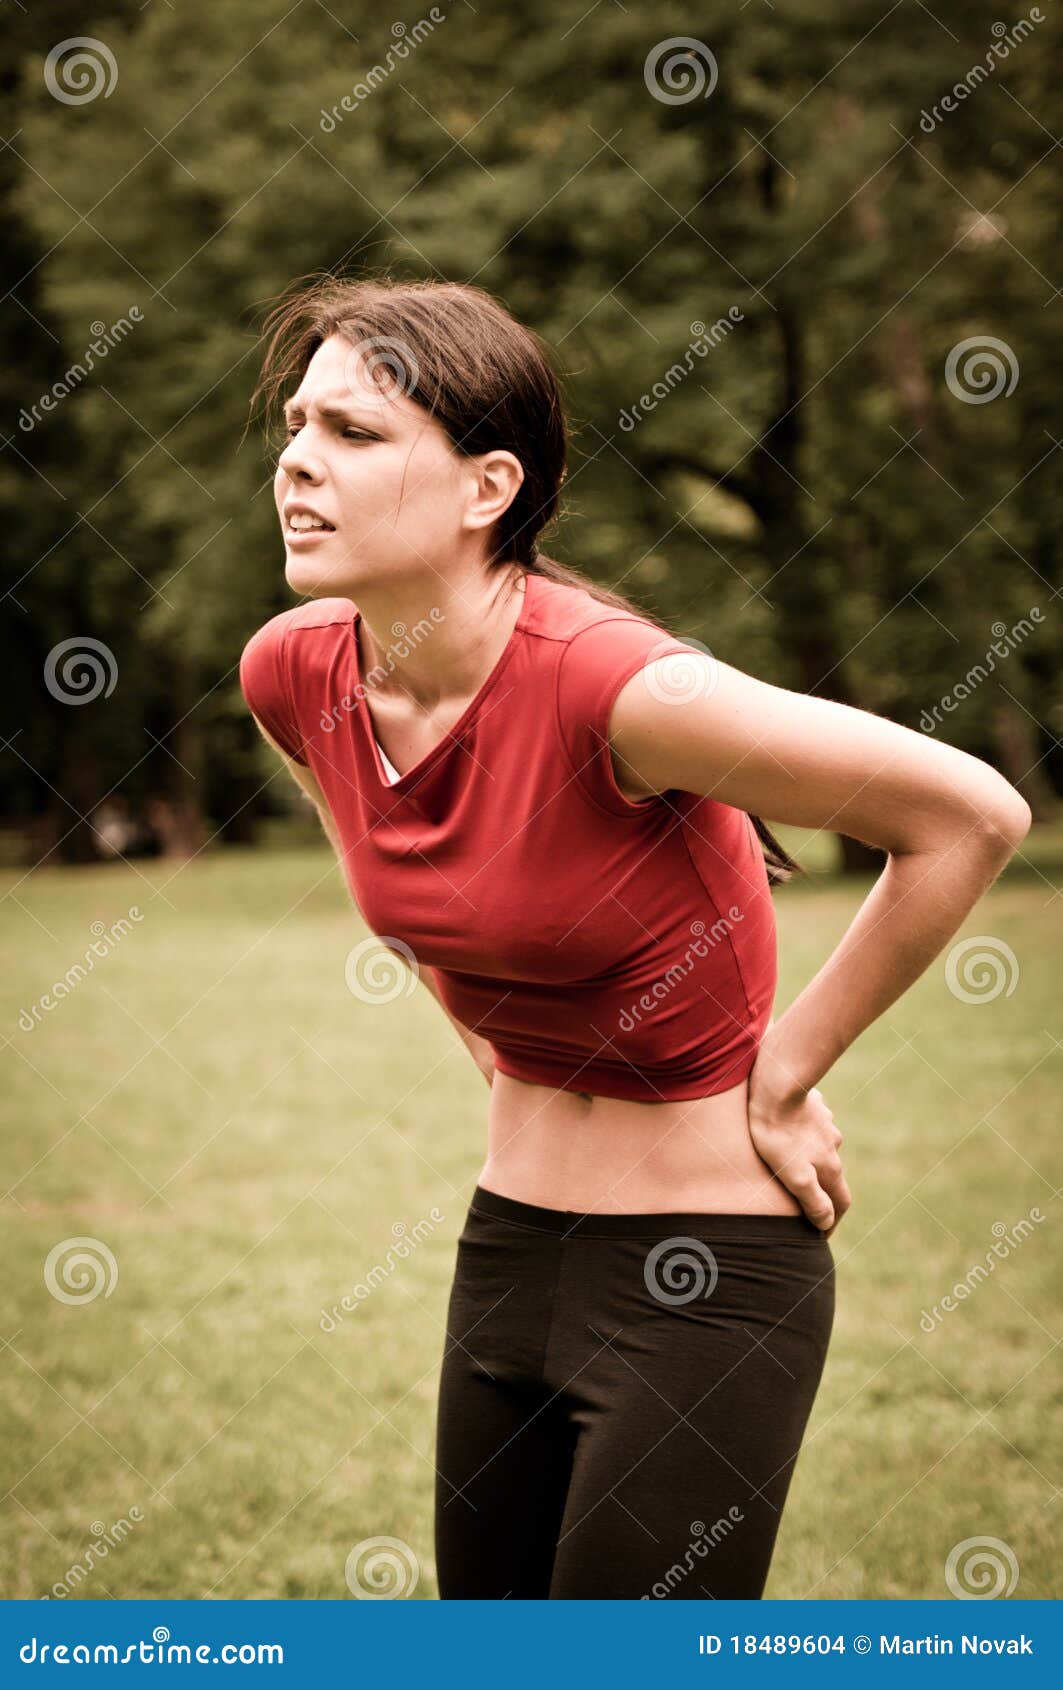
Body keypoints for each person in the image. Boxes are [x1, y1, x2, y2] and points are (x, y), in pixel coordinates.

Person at [238, 275, 1031, 1599]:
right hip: (503, 1251)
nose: (300, 463)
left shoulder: (622, 689)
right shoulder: (296, 674)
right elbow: (422, 901)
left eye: (355, 434)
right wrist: (503, 1048)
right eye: (295, 426)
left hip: (701, 1276)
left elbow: (971, 816)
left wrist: (784, 1073)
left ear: (490, 486)